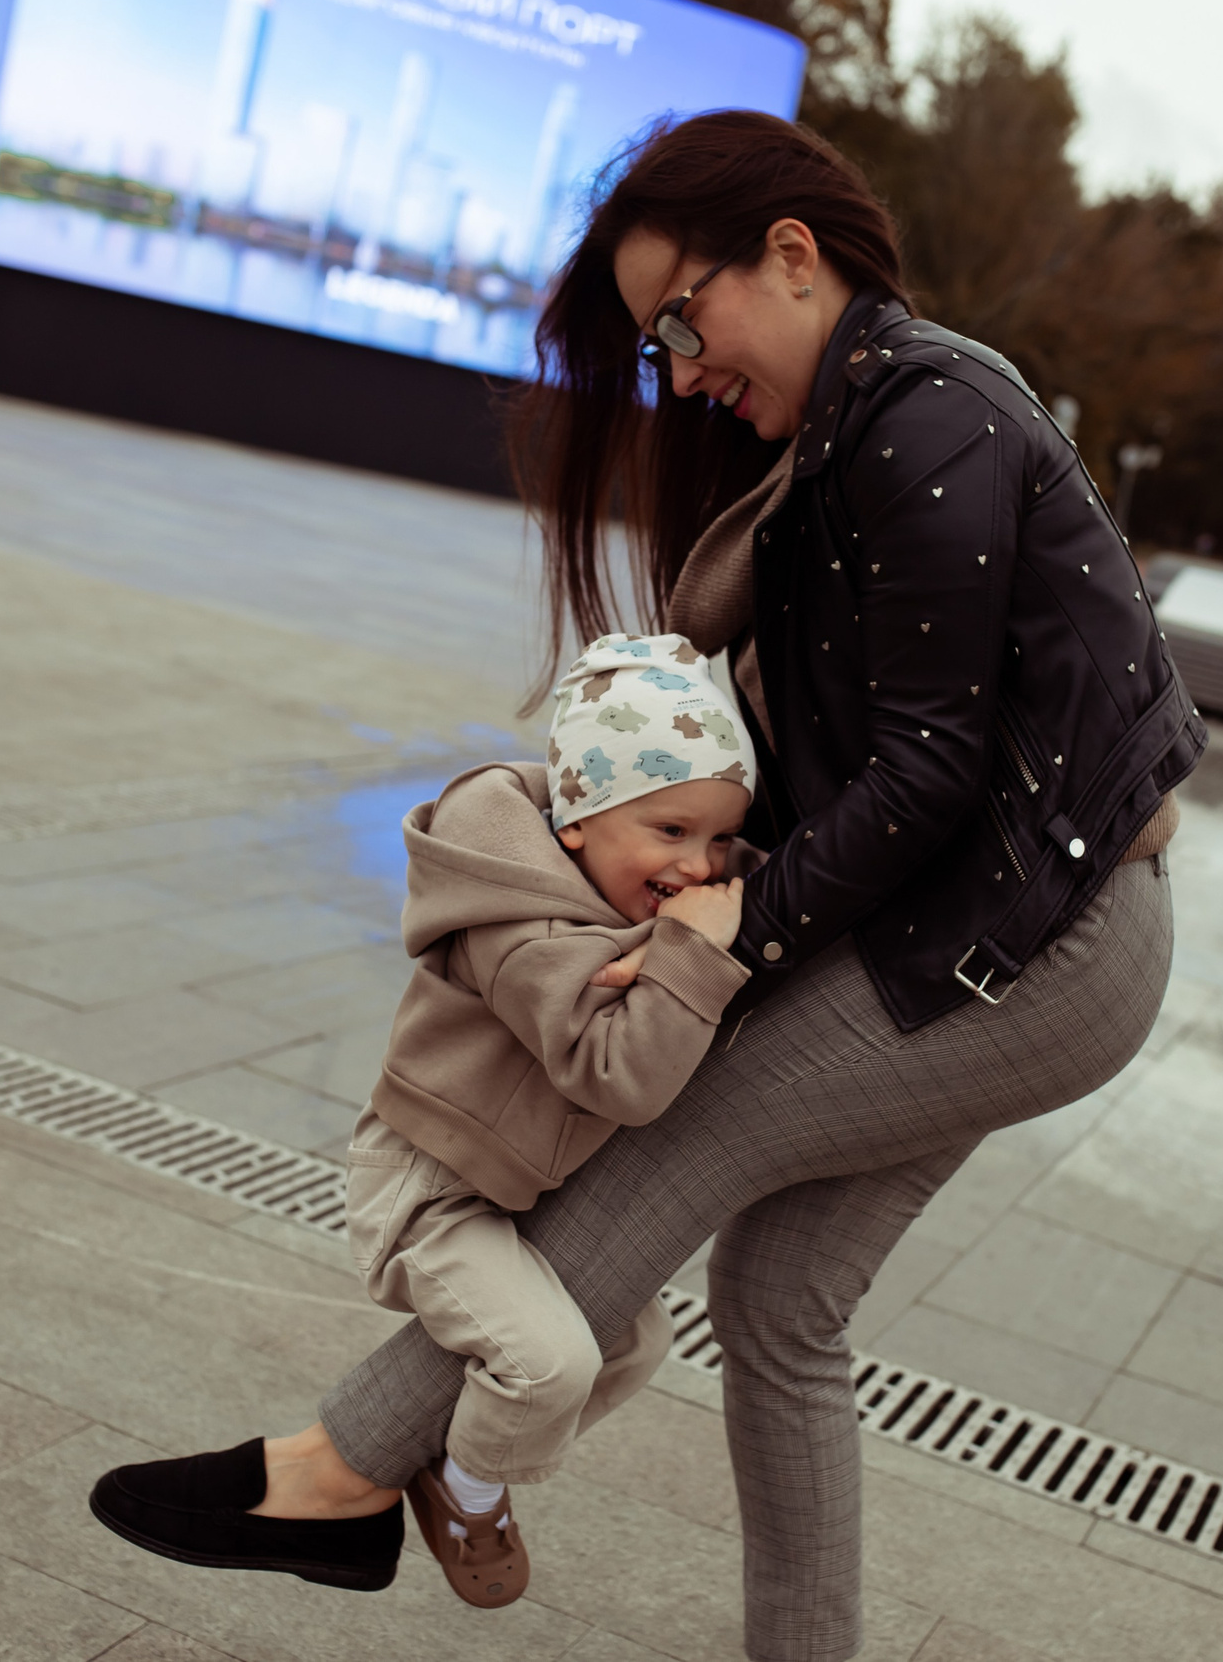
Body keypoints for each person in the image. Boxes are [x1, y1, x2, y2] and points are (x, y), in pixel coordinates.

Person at [89, 109, 1206, 1662]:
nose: (679, 371)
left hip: (1041, 942)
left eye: (682, 319)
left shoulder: (924, 417)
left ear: (793, 256)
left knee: (694, 1120)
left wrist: (729, 920)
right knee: (782, 1303)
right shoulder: (853, 437)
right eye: (655, 348)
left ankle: (344, 1469)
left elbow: (935, 768)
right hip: (996, 930)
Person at [90, 635, 759, 1608]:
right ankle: (468, 1488)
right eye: (669, 832)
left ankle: (450, 1457)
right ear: (576, 820)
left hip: (509, 1191)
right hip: (431, 1193)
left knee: (635, 1343)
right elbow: (620, 1078)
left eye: (718, 843)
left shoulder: (610, 881)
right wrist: (693, 958)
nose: (696, 868)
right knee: (547, 1365)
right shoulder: (523, 929)